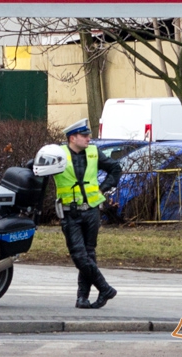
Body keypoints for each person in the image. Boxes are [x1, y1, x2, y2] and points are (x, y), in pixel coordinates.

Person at [35, 118, 121, 309]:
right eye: (84, 135)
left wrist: (103, 188)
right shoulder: (58, 153)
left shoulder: (93, 152)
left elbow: (115, 168)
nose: (89, 138)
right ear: (72, 138)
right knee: (79, 255)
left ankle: (82, 298)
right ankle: (104, 287)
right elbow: (37, 168)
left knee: (89, 253)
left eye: (88, 135)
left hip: (91, 211)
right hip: (69, 211)